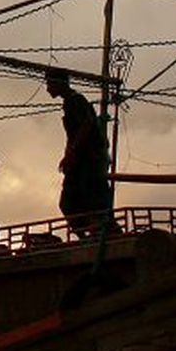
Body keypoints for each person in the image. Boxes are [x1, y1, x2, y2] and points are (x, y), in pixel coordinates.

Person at [44, 69, 110, 237]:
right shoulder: (69, 103)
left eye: (50, 84)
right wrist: (69, 156)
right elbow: (76, 133)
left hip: (89, 162)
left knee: (84, 202)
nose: (48, 89)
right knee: (72, 203)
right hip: (81, 162)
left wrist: (70, 154)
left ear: (60, 83)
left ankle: (97, 235)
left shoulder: (76, 101)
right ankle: (88, 236)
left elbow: (85, 127)